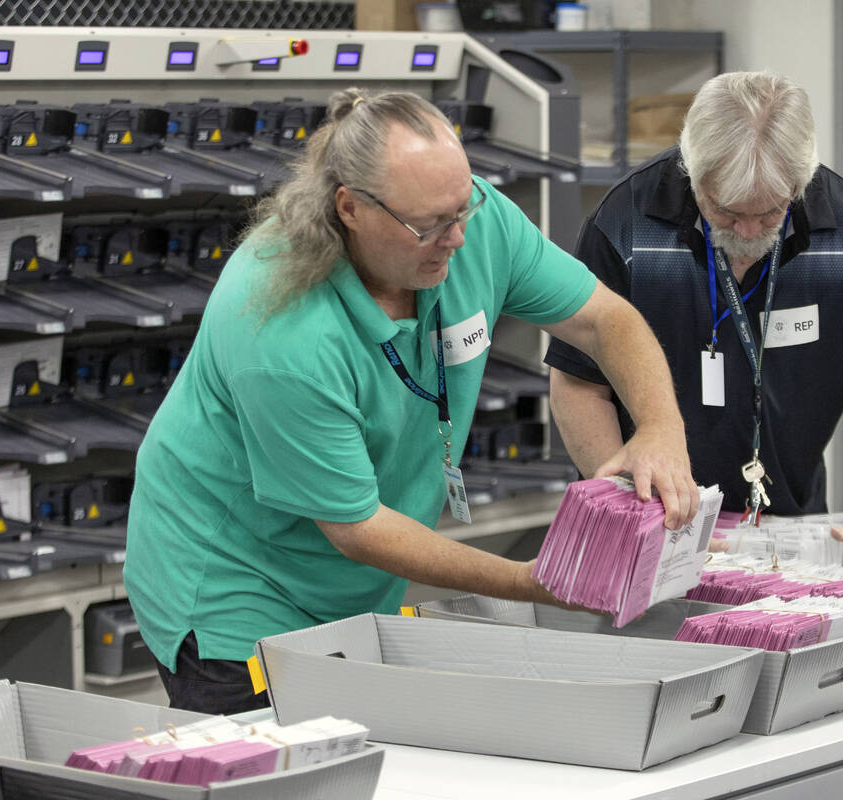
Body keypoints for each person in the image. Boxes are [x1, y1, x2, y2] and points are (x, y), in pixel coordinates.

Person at [124, 88, 698, 714]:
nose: (455, 238)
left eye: (463, 208)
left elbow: (604, 320)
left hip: (354, 580)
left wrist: (661, 429)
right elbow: (358, 526)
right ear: (350, 209)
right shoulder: (281, 326)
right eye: (428, 226)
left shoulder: (473, 222)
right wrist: (523, 583)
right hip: (235, 583)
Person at [546, 71, 843, 572]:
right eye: (725, 212)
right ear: (692, 171)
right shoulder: (625, 221)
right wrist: (624, 511)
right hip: (650, 523)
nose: (747, 232)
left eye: (770, 213)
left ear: (801, 181)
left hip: (790, 529)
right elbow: (577, 382)